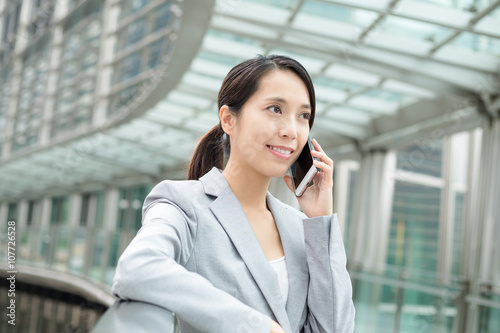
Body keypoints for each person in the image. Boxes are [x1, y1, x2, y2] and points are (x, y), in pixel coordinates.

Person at [112, 55, 355, 333]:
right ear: (228, 119)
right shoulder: (184, 203)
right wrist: (261, 328)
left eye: (303, 116)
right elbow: (137, 269)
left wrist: (320, 220)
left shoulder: (300, 227)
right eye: (275, 109)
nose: (291, 131)